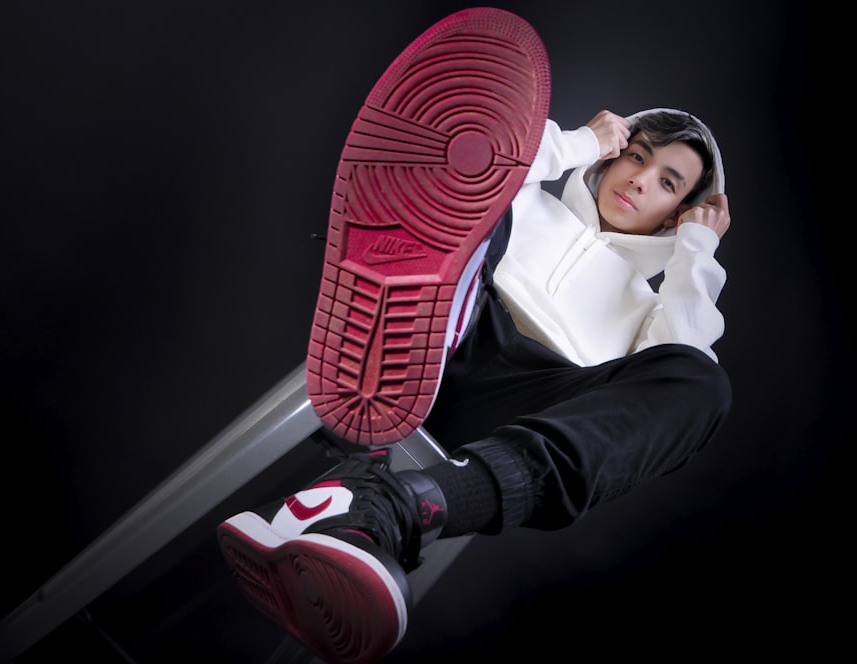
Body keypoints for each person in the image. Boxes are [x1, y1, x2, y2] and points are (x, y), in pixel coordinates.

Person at [217, 7, 732, 664]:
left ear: (676, 214)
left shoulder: (649, 306)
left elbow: (684, 352)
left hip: (521, 405)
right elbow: (482, 148)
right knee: (479, 188)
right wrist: (580, 142)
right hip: (453, 320)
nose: (637, 179)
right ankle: (401, 386)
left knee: (699, 379)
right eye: (636, 156)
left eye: (667, 183)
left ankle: (400, 504)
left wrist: (695, 251)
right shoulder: (529, 197)